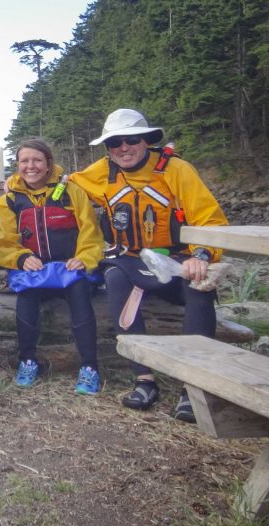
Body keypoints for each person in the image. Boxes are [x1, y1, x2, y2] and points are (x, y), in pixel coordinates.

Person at [70, 108, 228, 422]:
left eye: (131, 140)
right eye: (114, 143)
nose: (123, 148)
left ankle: (193, 387)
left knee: (199, 288)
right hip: (129, 259)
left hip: (178, 258)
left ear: (147, 141)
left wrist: (202, 255)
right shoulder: (103, 170)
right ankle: (143, 379)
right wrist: (16, 183)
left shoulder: (177, 170)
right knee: (114, 277)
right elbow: (66, 181)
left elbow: (210, 220)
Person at [0, 139, 104, 394]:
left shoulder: (71, 191)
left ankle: (90, 367)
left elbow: (91, 232)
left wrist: (84, 259)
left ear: (49, 163)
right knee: (26, 298)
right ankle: (28, 361)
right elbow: (3, 242)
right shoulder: (9, 199)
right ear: (17, 166)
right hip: (35, 273)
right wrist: (20, 259)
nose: (31, 166)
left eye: (37, 160)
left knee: (80, 298)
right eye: (24, 161)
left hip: (70, 269)